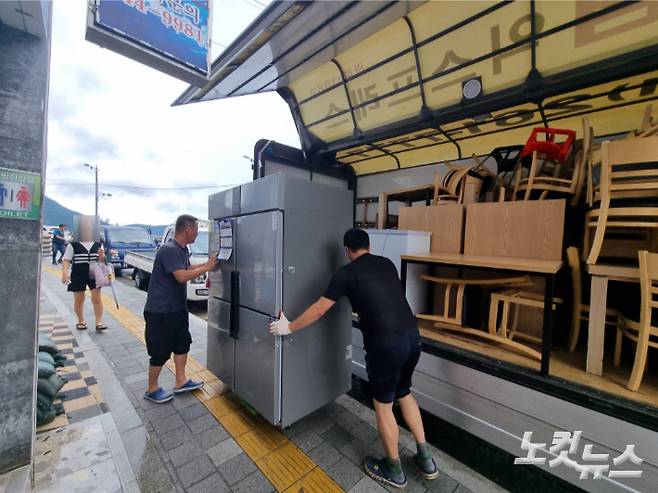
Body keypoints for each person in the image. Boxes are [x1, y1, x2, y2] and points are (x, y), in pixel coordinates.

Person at [269, 228, 438, 489]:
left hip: (386, 346)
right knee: (404, 393)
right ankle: (425, 459)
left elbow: (318, 310)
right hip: (412, 338)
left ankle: (394, 470)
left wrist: (287, 327)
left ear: (347, 250)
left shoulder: (346, 273)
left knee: (383, 406)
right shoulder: (386, 263)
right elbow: (383, 298)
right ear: (368, 245)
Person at [143, 214, 217, 404]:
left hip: (176, 309)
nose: (197, 233)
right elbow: (181, 276)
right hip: (160, 311)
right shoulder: (169, 249)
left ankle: (181, 381)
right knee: (160, 351)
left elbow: (188, 266)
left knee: (182, 343)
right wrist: (206, 266)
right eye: (196, 229)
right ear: (188, 230)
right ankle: (152, 389)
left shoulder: (182, 250)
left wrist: (210, 264)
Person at [61, 237, 107, 331]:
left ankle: (99, 322)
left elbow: (103, 260)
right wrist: (64, 273)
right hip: (78, 273)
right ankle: (81, 321)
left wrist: (102, 256)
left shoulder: (98, 244)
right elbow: (66, 260)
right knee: (79, 299)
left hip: (95, 273)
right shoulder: (73, 244)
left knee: (97, 298)